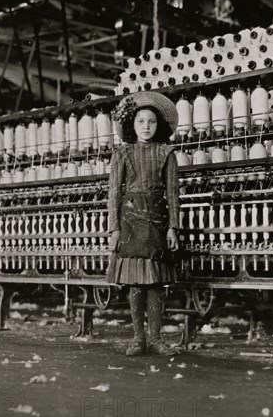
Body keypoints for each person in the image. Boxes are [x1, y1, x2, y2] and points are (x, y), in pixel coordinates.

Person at [107, 91, 180, 356]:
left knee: (156, 284)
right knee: (136, 284)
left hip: (158, 223)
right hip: (130, 223)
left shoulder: (166, 153)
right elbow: (114, 193)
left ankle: (157, 339)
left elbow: (173, 193)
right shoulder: (122, 153)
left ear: (158, 125)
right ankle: (138, 339)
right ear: (132, 125)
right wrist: (113, 229)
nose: (146, 127)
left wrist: (174, 226)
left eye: (151, 121)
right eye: (141, 121)